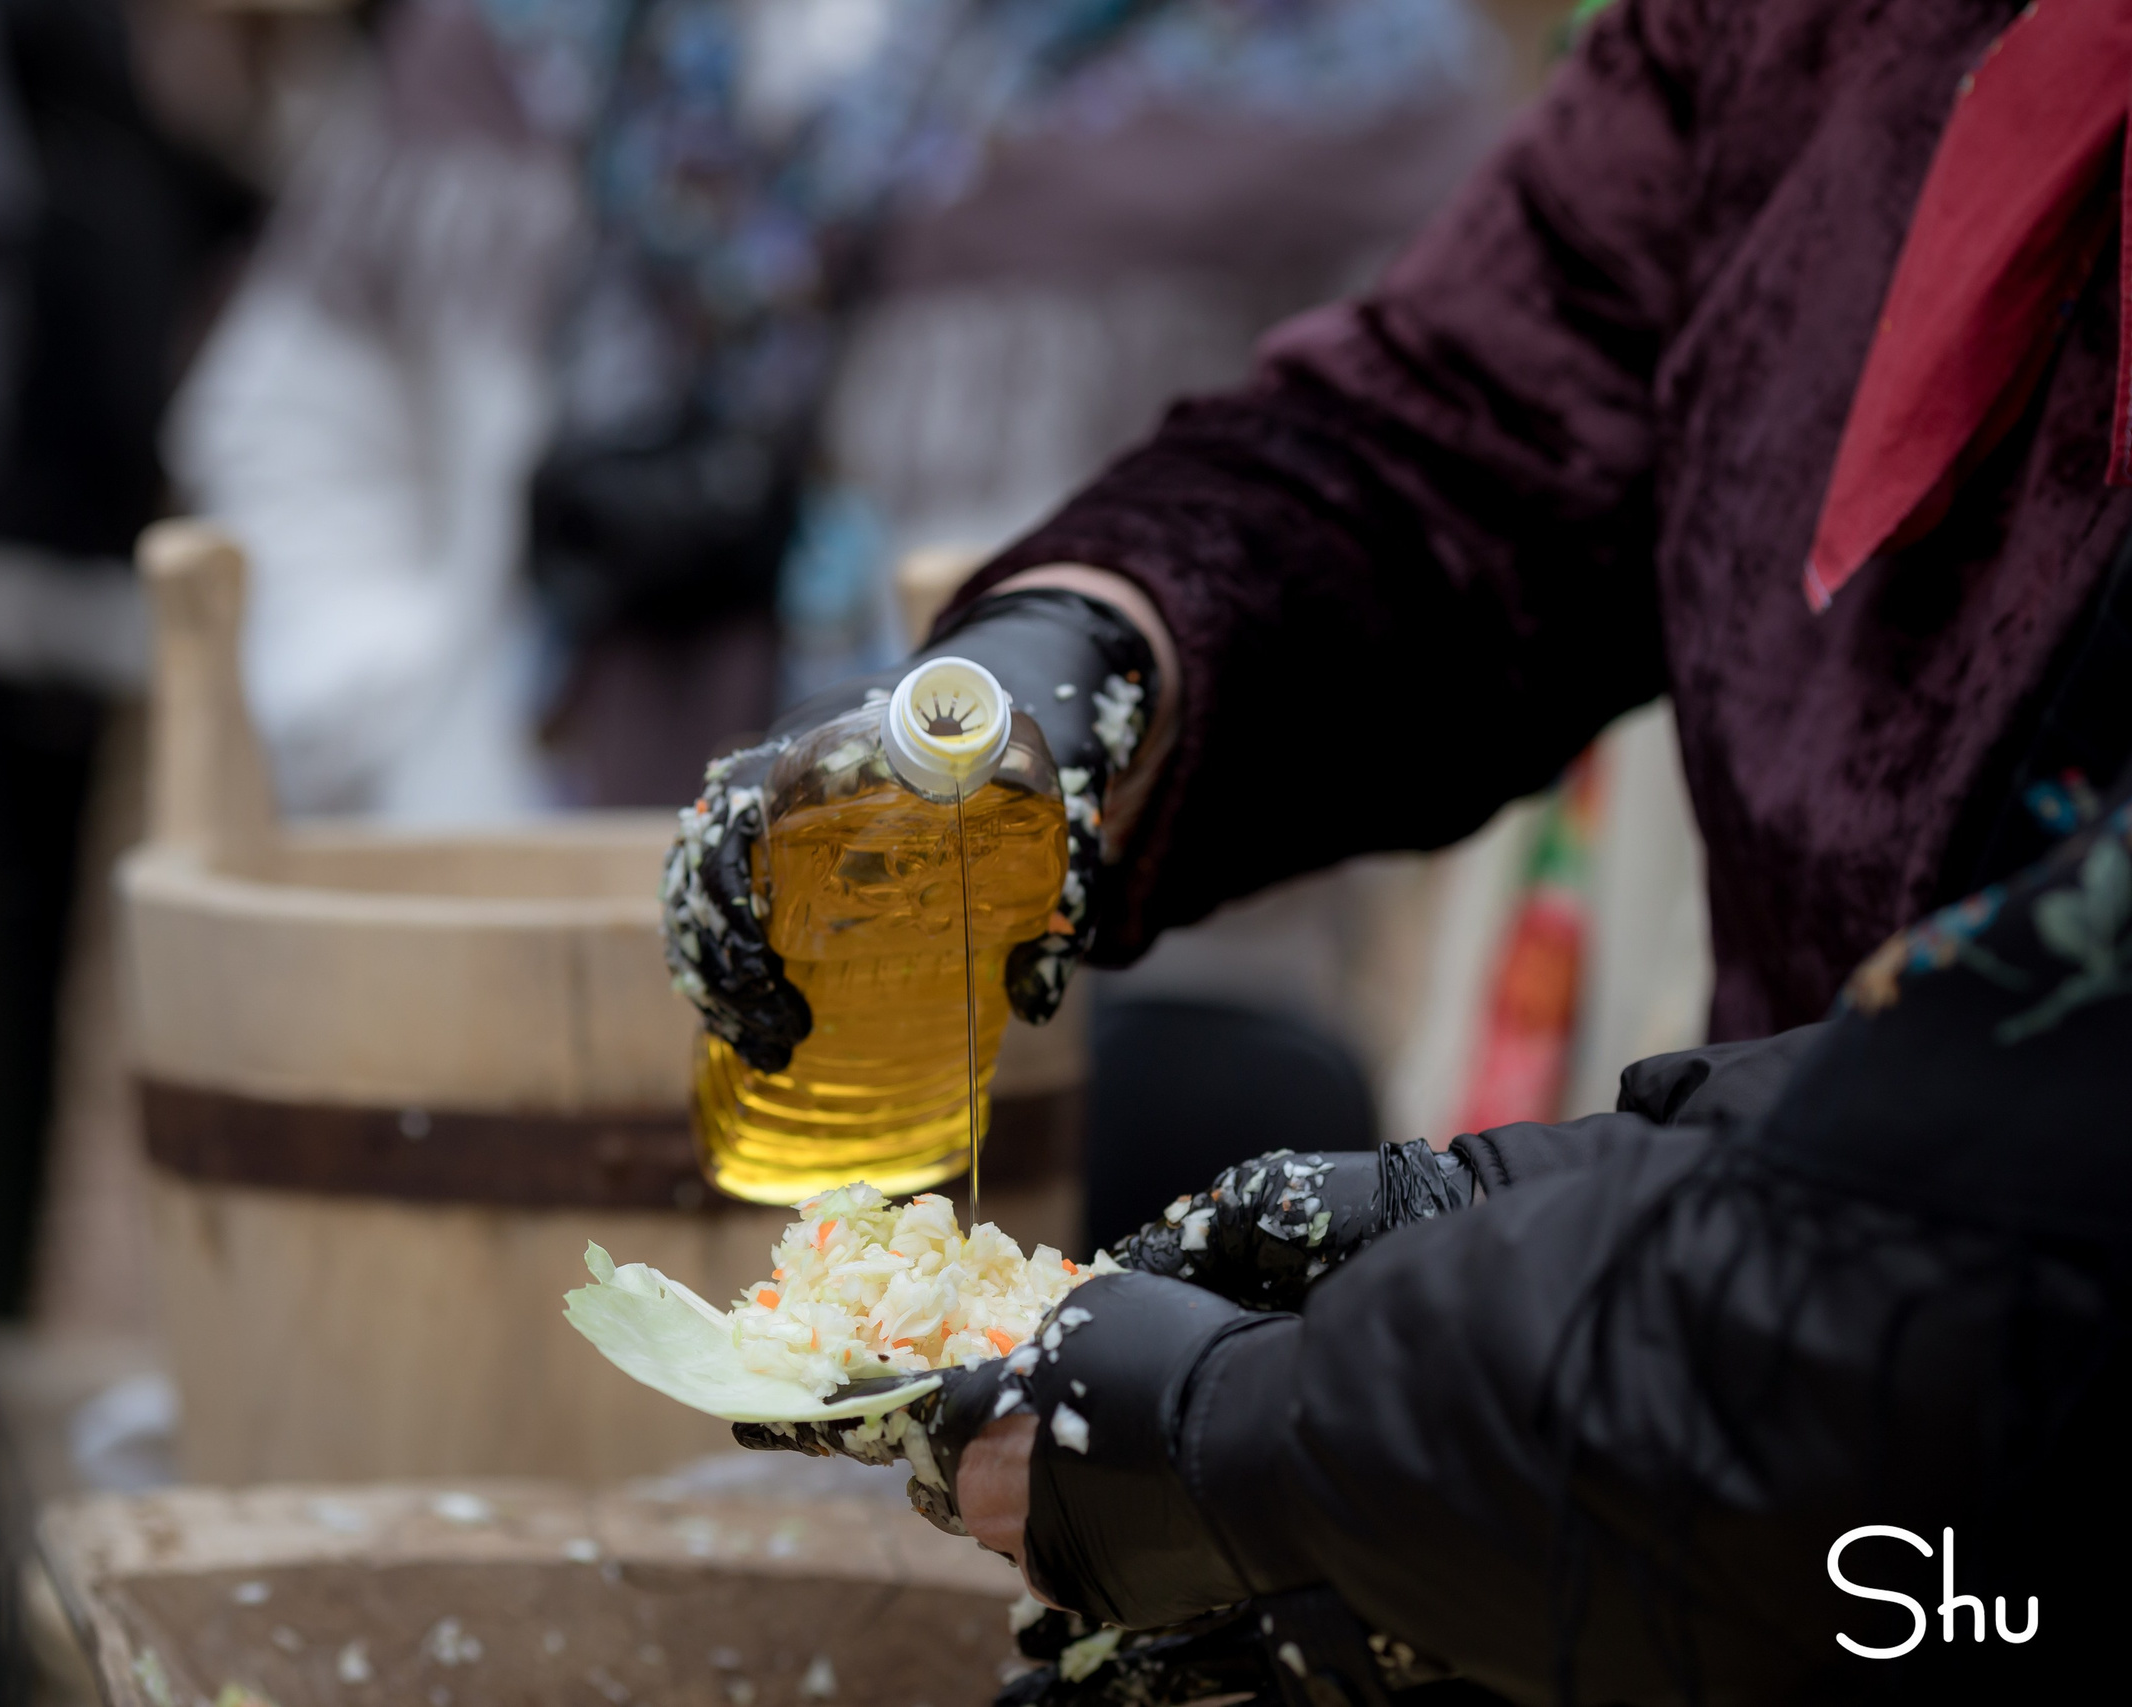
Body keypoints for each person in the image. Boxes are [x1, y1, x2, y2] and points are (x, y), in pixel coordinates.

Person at [669, 0, 2132, 1694]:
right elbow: (1483, 419)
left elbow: (2042, 1161)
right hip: (1751, 1376)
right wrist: (1083, 665)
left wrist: (1288, 1445)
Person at [168, 0, 1505, 820]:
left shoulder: (1330, 63)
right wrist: (401, 734)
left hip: (1059, 1003)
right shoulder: (512, 34)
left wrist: (1124, 770)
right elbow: (294, 409)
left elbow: (1441, 489)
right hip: (532, 915)